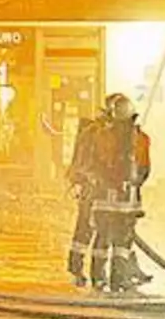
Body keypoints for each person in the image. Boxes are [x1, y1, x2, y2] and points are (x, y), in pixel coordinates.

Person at [89, 92, 153, 292]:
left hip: (103, 200)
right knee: (122, 243)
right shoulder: (141, 139)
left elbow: (95, 165)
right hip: (128, 202)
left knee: (102, 239)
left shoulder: (102, 136)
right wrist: (133, 184)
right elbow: (145, 169)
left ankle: (98, 278)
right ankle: (118, 280)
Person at [65, 107, 105, 287]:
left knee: (91, 228)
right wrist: (89, 179)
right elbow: (86, 162)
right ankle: (78, 267)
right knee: (86, 227)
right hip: (91, 188)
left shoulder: (95, 133)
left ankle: (80, 268)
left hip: (97, 187)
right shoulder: (94, 134)